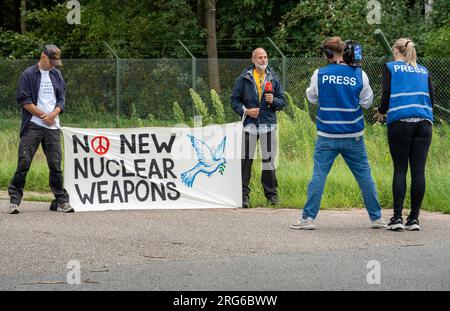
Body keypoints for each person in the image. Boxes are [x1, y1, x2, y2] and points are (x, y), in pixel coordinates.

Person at [290, 37, 386, 230]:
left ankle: (308, 219)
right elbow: (367, 102)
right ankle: (377, 219)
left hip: (326, 135)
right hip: (354, 135)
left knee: (319, 175)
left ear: (328, 54)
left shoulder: (320, 74)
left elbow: (311, 98)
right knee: (364, 176)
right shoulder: (360, 74)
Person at [374, 38, 434, 231]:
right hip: (424, 122)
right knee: (418, 170)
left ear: (396, 50)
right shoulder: (424, 70)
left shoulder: (391, 67)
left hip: (400, 120)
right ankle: (414, 219)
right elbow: (432, 98)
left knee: (400, 168)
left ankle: (397, 218)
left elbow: (386, 93)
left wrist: (382, 111)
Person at [7, 45, 73, 214]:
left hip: (53, 127)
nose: (53, 65)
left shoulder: (57, 75)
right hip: (33, 126)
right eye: (51, 61)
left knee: (55, 164)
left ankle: (61, 201)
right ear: (43, 56)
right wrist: (45, 116)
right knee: (24, 162)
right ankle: (14, 200)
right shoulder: (28, 75)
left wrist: (54, 115)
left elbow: (62, 99)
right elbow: (24, 100)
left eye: (55, 62)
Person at [231, 48, 286, 208]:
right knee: (246, 161)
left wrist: (273, 100)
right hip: (249, 127)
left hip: (268, 126)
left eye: (265, 57)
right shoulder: (244, 78)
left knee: (268, 162)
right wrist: (246, 111)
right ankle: (243, 196)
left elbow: (282, 102)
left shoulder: (274, 77)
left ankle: (271, 197)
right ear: (253, 60)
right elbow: (234, 100)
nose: (263, 60)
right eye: (260, 57)